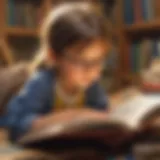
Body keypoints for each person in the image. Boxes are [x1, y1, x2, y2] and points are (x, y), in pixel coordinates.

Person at [6, 2, 112, 142]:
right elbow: (16, 125)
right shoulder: (42, 84)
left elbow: (103, 113)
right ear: (53, 57)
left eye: (98, 61)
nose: (93, 72)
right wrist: (72, 117)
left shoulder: (91, 86)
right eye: (82, 62)